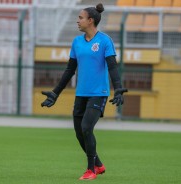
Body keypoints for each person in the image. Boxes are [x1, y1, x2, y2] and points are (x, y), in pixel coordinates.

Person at [41, 3, 127, 180]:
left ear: (91, 20)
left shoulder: (104, 41)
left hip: (99, 92)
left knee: (87, 128)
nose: (77, 21)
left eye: (80, 18)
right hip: (81, 93)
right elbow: (69, 70)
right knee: (79, 132)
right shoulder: (77, 42)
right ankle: (99, 164)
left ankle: (90, 170)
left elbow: (112, 67)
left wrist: (118, 88)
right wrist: (55, 93)